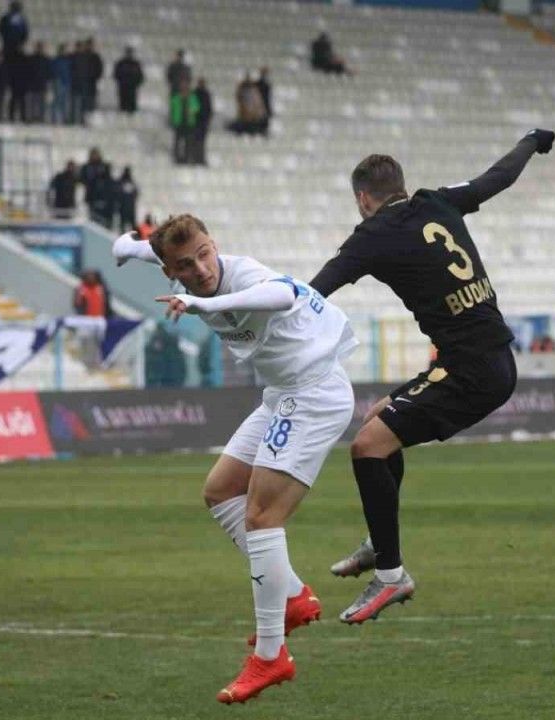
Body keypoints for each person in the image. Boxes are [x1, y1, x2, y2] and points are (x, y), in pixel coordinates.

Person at [310, 128, 555, 623]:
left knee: (366, 447)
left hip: (472, 370)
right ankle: (382, 546)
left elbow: (315, 291)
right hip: (485, 360)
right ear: (402, 185)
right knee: (380, 425)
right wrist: (531, 140)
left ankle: (390, 575)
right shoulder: (438, 202)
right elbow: (498, 177)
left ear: (363, 198)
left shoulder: (372, 235)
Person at [113, 214, 358, 704]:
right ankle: (290, 595)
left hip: (314, 392)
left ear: (214, 244)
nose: (202, 266)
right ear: (171, 271)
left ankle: (271, 657)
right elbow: (145, 250)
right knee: (220, 490)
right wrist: (127, 247)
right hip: (283, 393)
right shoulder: (178, 270)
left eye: (206, 253)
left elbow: (284, 295)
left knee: (262, 517)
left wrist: (207, 301)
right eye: (186, 263)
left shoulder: (242, 277)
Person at [169, 78, 199, 165]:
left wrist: (191, 110)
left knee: (187, 142)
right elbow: (173, 109)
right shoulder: (176, 98)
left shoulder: (192, 98)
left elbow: (196, 108)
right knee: (178, 141)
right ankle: (177, 157)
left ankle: (186, 157)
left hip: (189, 122)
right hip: (179, 122)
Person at [113, 47, 143, 114]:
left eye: (130, 52)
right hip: (123, 87)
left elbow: (140, 76)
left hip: (132, 87)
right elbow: (116, 74)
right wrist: (121, 82)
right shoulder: (120, 63)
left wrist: (136, 84)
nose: (129, 54)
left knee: (132, 107)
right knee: (123, 105)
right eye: (128, 52)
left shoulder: (136, 64)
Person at [192, 77, 211, 164]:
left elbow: (209, 108)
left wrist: (208, 118)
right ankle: (195, 158)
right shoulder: (194, 94)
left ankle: (201, 158)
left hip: (203, 121)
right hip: (196, 121)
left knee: (202, 142)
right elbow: (193, 107)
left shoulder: (206, 94)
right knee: (195, 141)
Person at [116, 167, 138, 232]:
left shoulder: (132, 182)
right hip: (123, 207)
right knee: (122, 224)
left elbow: (136, 193)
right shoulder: (120, 183)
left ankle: (134, 237)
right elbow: (117, 194)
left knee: (132, 224)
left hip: (130, 207)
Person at [255, 67, 272, 134]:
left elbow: (268, 99)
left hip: (265, 109)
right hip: (258, 108)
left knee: (264, 127)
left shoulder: (267, 85)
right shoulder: (257, 84)